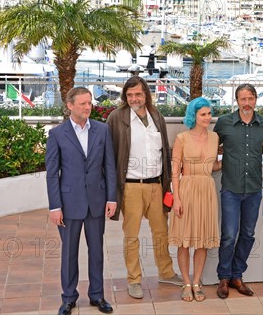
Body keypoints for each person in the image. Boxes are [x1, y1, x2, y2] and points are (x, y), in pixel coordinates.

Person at [106, 76, 182, 300]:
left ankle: (166, 272)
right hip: (131, 187)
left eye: (138, 94)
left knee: (161, 232)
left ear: (146, 95)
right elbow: (109, 156)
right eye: (129, 95)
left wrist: (166, 184)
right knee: (131, 235)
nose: (133, 99)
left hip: (156, 185)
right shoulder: (116, 118)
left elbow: (164, 153)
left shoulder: (156, 116)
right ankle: (134, 280)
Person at [45, 87, 117, 315]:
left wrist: (112, 198)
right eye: (83, 104)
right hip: (68, 204)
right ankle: (68, 298)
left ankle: (97, 295)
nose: (88, 107)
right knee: (69, 254)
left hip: (97, 200)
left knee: (96, 251)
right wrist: (55, 206)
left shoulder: (102, 130)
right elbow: (51, 173)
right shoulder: (57, 134)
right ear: (70, 105)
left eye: (90, 103)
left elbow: (109, 167)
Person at [213, 83, 263, 299]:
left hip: (254, 189)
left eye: (250, 98)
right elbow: (210, 147)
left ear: (256, 99)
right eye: (242, 99)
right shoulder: (224, 123)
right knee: (229, 235)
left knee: (247, 234)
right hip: (231, 188)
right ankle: (223, 277)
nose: (246, 103)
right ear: (236, 101)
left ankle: (237, 276)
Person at [168, 97, 222, 302]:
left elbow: (213, 165)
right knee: (184, 241)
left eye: (209, 113)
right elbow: (174, 172)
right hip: (187, 189)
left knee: (202, 241)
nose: (208, 118)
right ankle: (186, 283)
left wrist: (232, 161)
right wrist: (177, 199)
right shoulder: (182, 138)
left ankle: (197, 282)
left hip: (207, 189)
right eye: (203, 114)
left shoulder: (215, 137)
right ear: (194, 116)